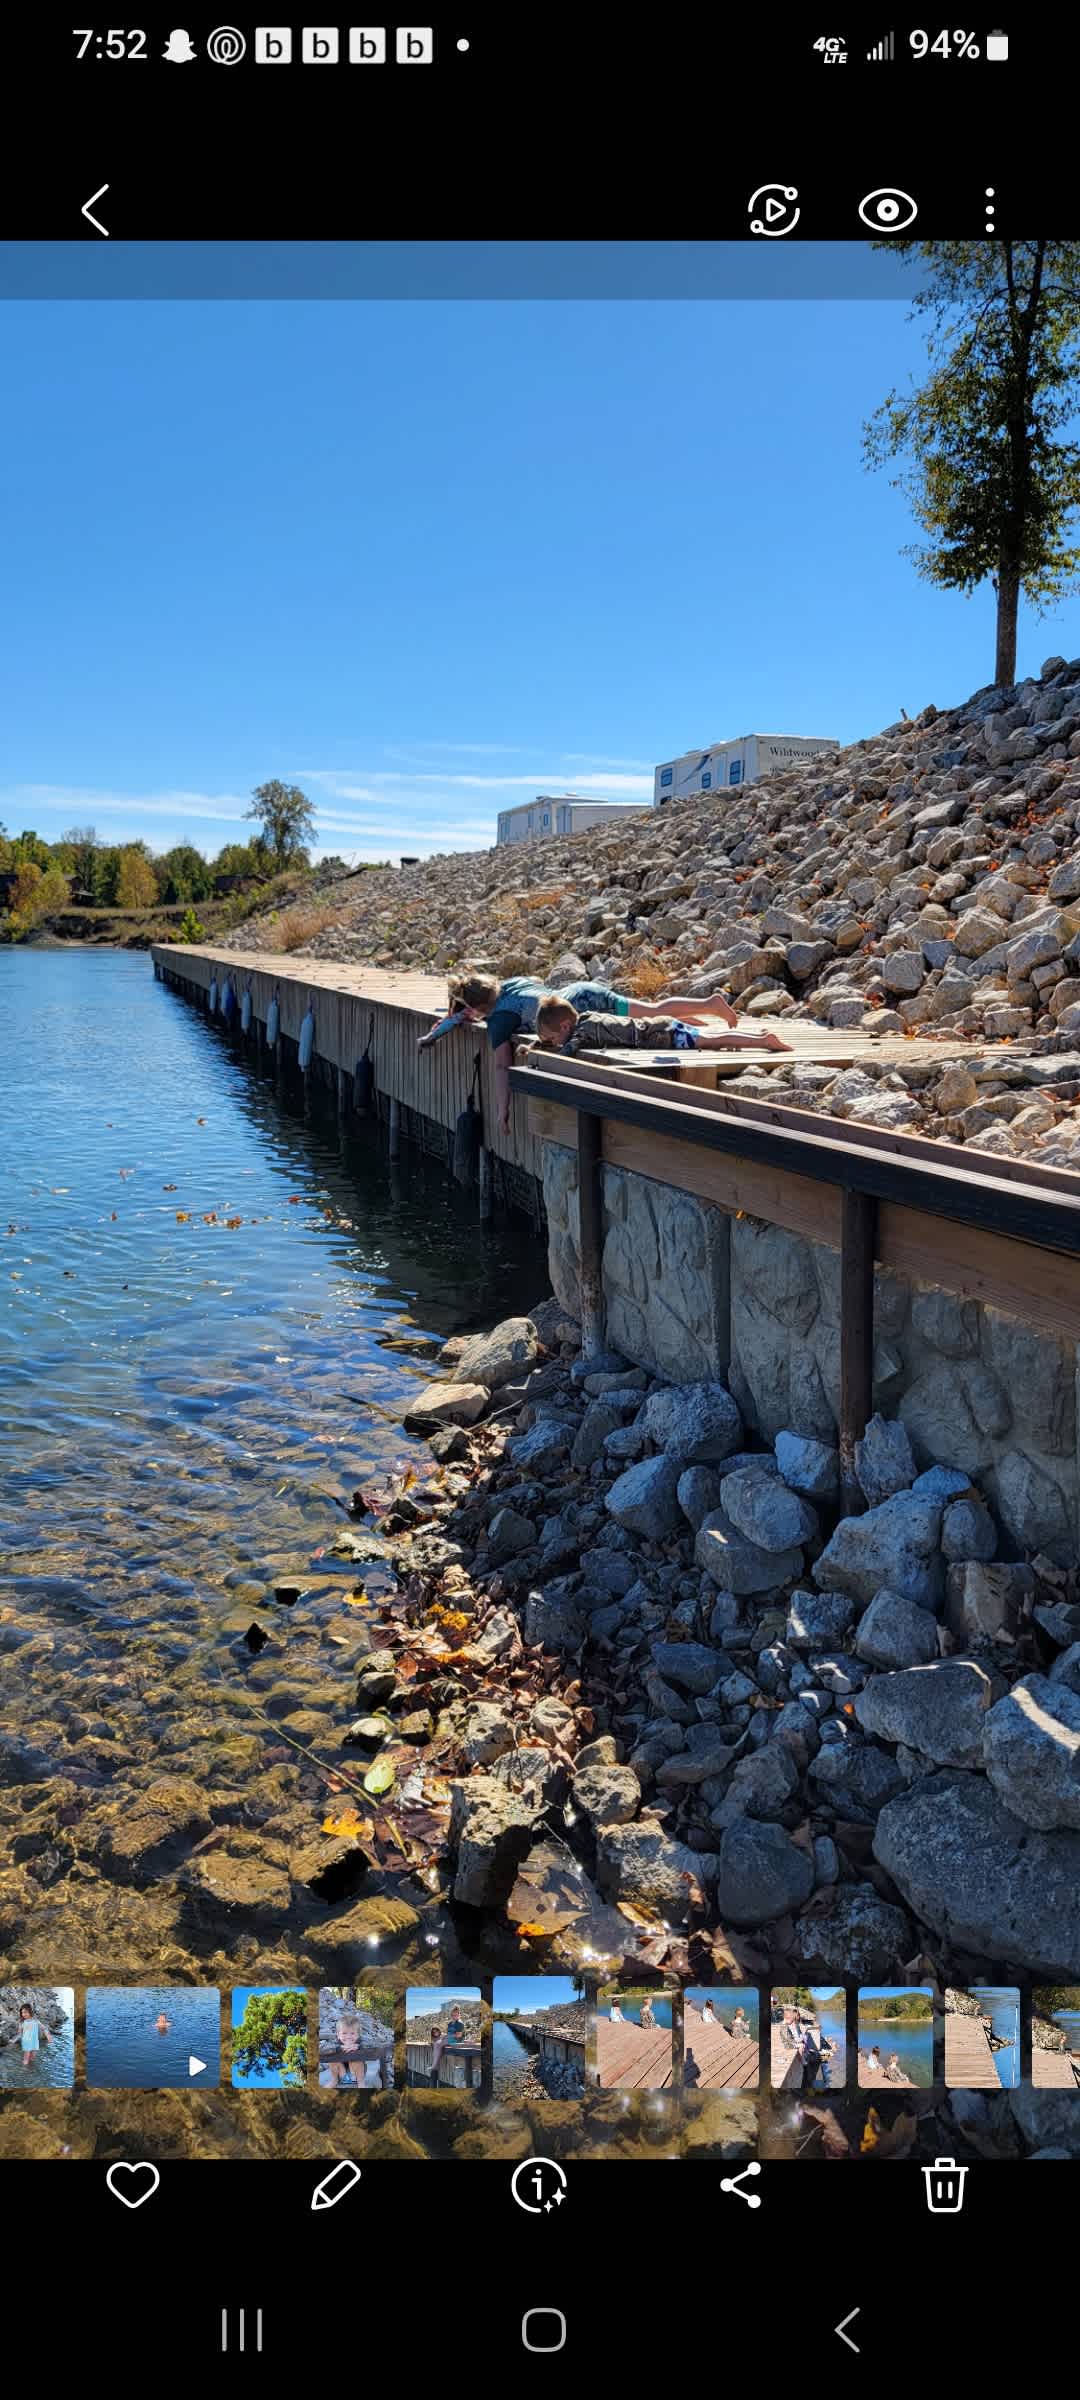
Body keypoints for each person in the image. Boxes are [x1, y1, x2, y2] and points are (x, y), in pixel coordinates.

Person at [417, 964, 748, 1134]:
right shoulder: (511, 985)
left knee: (649, 1017)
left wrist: (502, 1111)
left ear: (474, 1008)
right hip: (577, 993)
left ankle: (707, 1009)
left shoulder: (499, 1021)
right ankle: (704, 1009)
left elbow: (502, 1068)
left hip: (583, 1008)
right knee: (651, 1010)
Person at [533, 995, 791, 1060]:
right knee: (711, 1037)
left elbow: (567, 1052)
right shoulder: (586, 1020)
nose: (554, 1042)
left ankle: (763, 1041)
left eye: (552, 1038)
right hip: (659, 1027)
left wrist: (539, 1053)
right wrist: (537, 1043)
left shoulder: (582, 1032)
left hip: (660, 1036)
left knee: (713, 1040)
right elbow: (567, 1043)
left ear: (566, 1026)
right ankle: (759, 1037)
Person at [18, 2003, 52, 2070]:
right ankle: (24, 2071)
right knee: (26, 2058)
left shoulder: (35, 2021)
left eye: (25, 2012)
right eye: (22, 2013)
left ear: (30, 2012)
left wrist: (48, 2036)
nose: (23, 2014)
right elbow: (19, 2031)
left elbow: (44, 2028)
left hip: (34, 2042)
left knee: (32, 2057)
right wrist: (21, 2036)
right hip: (26, 2042)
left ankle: (31, 2069)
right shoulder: (22, 2022)